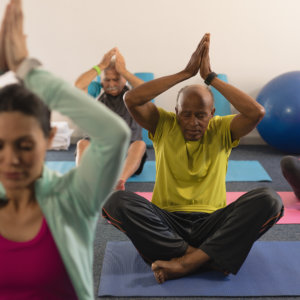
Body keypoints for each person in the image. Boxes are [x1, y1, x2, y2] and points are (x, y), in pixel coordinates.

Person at [102, 33, 284, 284]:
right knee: (114, 201)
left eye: (201, 115)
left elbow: (256, 111)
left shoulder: (222, 129)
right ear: (176, 112)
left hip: (214, 225)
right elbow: (131, 98)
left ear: (212, 113)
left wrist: (210, 77)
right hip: (166, 226)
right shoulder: (163, 124)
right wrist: (186, 73)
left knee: (270, 199)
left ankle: (186, 262)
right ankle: (203, 258)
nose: (193, 122)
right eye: (185, 114)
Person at [0, 1, 130, 299]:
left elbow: (114, 135)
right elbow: (81, 84)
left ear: (48, 138)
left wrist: (26, 68)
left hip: (128, 146)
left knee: (133, 146)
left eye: (25, 145)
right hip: (91, 140)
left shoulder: (71, 197)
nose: (11, 159)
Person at [75, 48, 147, 190]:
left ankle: (119, 181)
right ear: (101, 81)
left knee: (140, 145)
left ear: (124, 79)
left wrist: (124, 71)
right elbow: (78, 86)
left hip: (127, 154)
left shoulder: (133, 94)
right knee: (82, 143)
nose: (111, 84)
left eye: (116, 79)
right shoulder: (97, 91)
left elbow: (147, 89)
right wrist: (101, 66)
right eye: (107, 79)